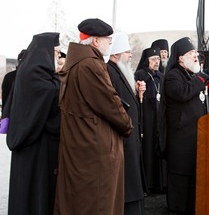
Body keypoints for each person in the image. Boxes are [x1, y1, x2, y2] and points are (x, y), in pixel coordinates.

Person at [54, 18, 133, 215]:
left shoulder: (77, 63)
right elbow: (110, 103)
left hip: (82, 146)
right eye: (107, 39)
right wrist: (127, 125)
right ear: (95, 41)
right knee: (97, 204)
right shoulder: (91, 65)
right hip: (94, 149)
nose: (110, 43)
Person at [6, 32, 61, 215]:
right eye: (56, 52)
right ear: (45, 52)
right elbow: (48, 96)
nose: (59, 57)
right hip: (33, 146)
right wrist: (59, 83)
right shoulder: (35, 73)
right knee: (33, 194)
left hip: (32, 145)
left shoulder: (33, 70)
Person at [163, 37, 209, 214]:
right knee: (181, 175)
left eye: (196, 53)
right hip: (180, 137)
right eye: (191, 53)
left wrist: (206, 81)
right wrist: (200, 77)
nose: (195, 56)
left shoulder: (193, 74)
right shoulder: (173, 76)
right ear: (180, 58)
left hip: (196, 135)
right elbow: (182, 93)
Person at [107, 32, 147, 214]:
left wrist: (139, 95)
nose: (131, 55)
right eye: (127, 51)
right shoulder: (110, 71)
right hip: (122, 139)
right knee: (127, 185)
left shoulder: (119, 71)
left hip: (129, 138)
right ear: (116, 54)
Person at [135, 47, 167, 194]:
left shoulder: (162, 76)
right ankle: (147, 184)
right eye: (153, 59)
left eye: (158, 60)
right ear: (146, 60)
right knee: (147, 149)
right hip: (147, 120)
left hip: (159, 119)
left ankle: (160, 184)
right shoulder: (140, 75)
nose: (156, 62)